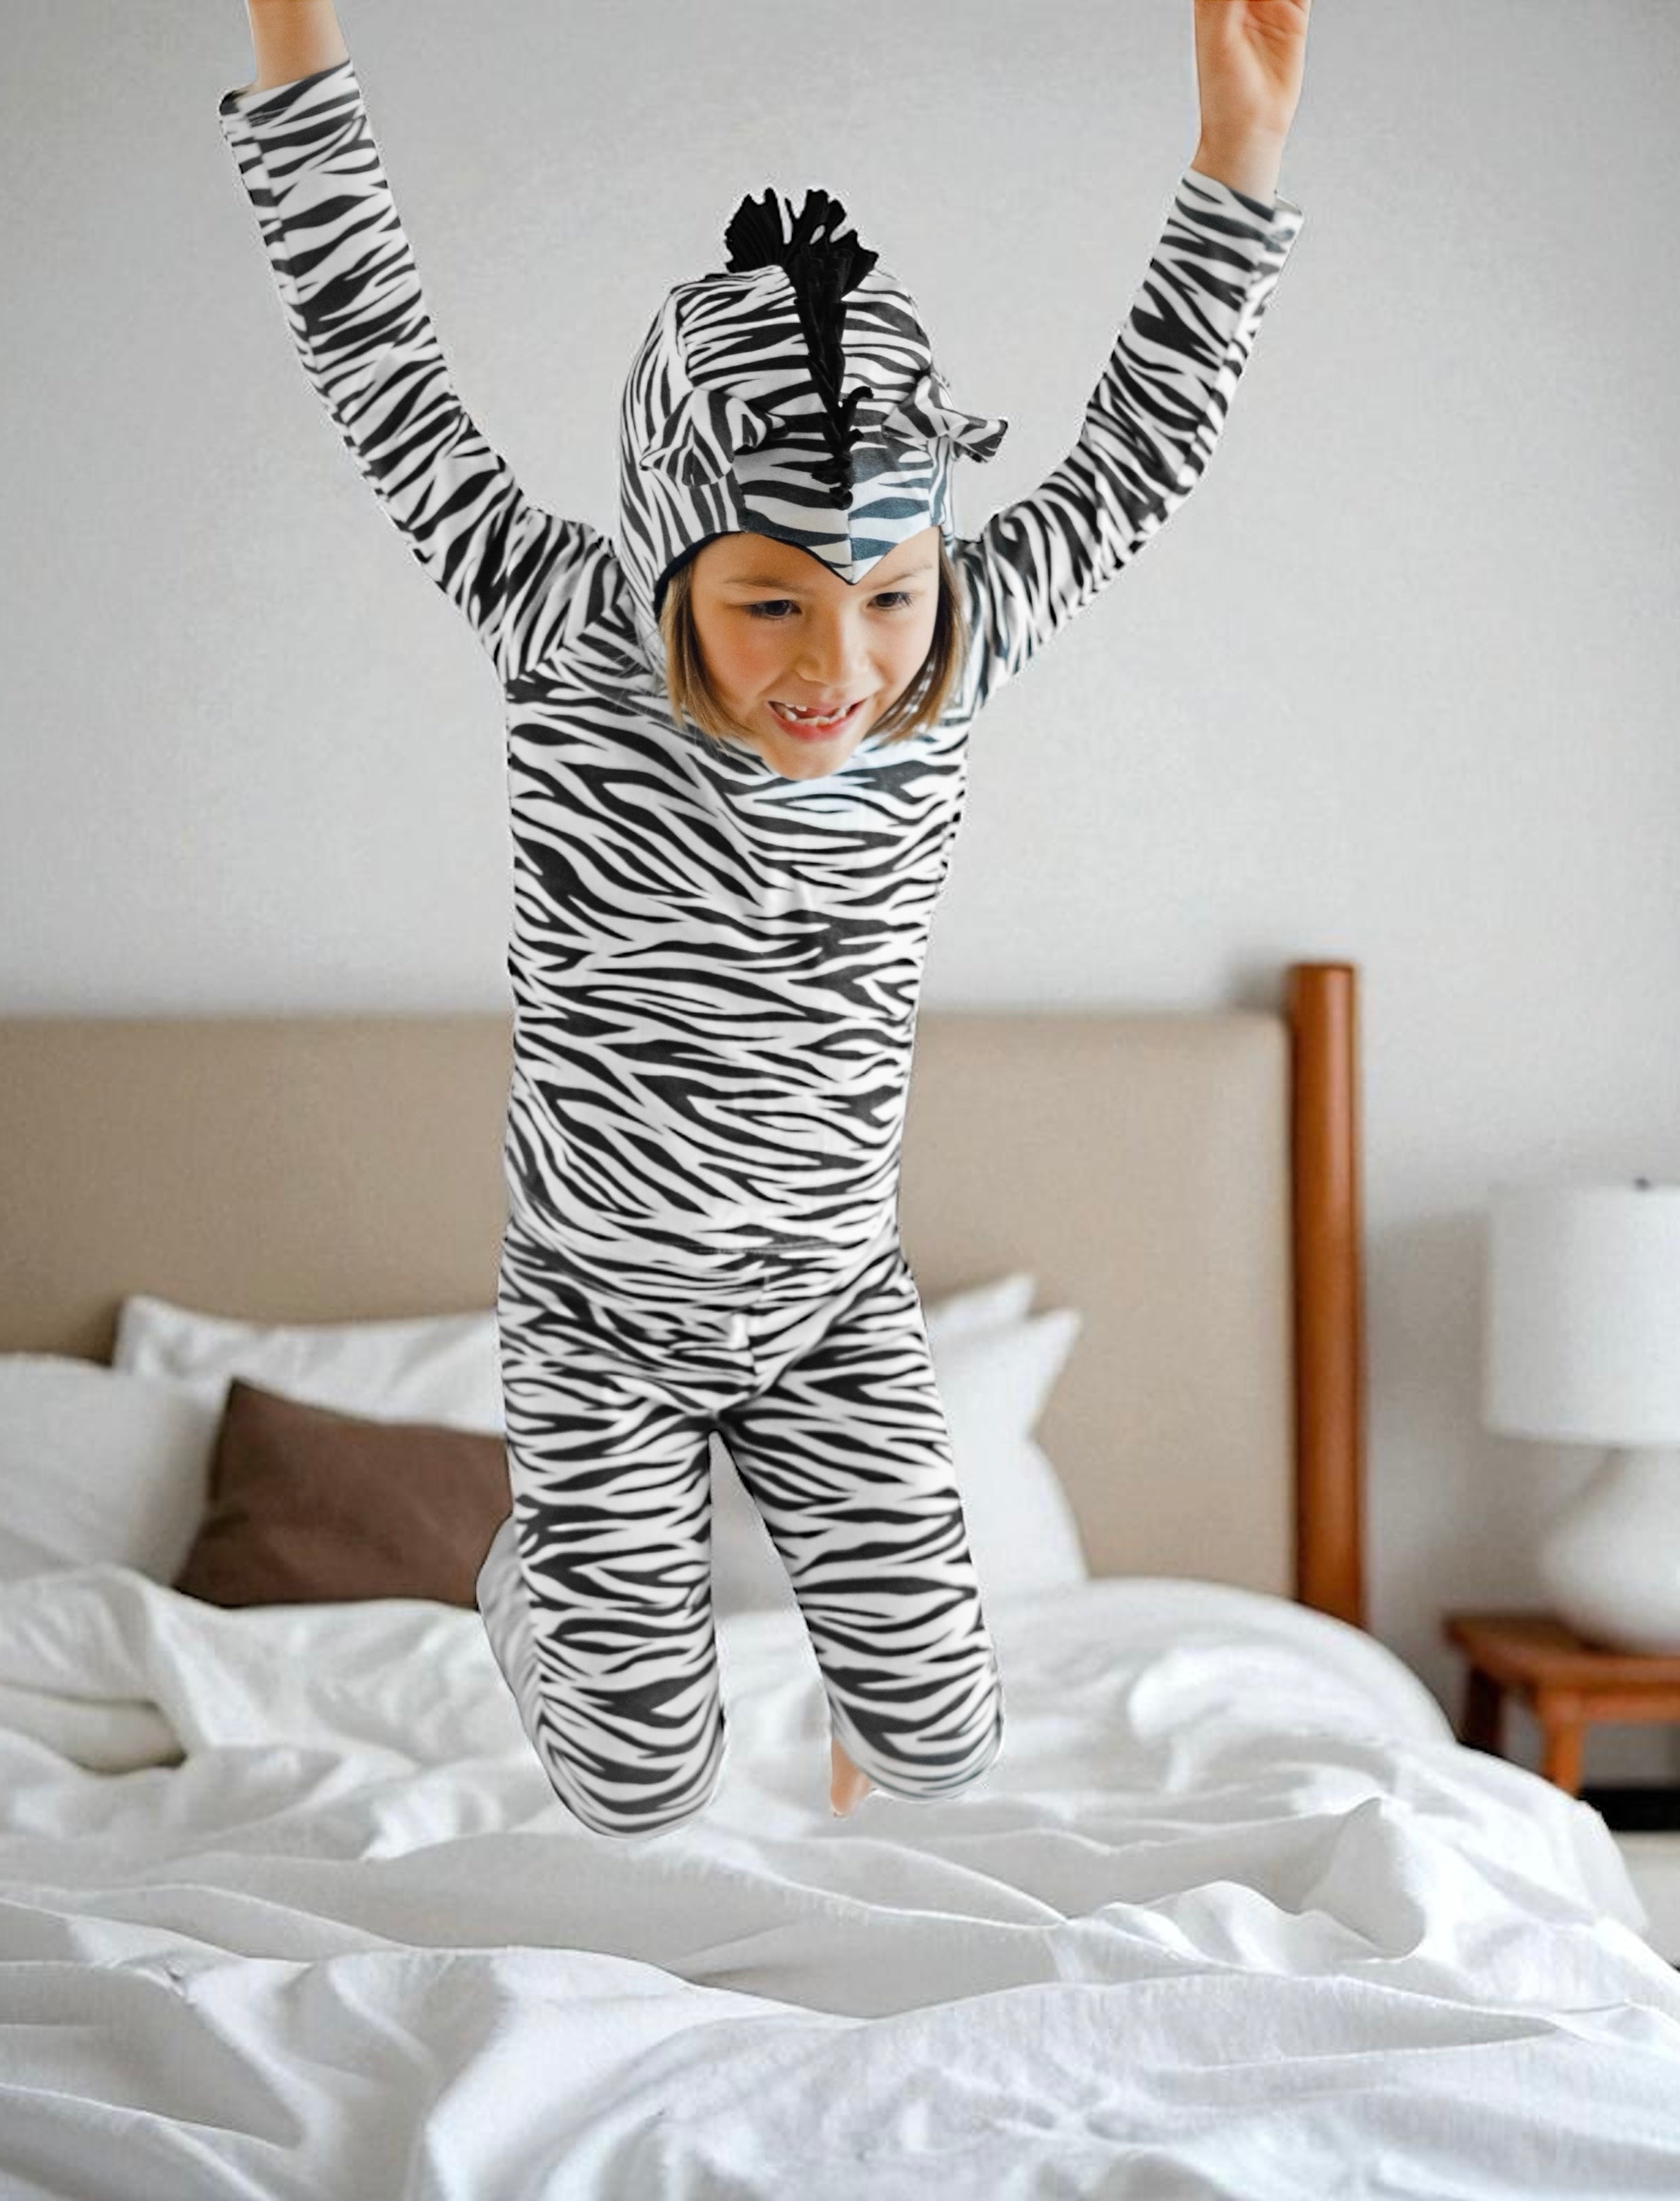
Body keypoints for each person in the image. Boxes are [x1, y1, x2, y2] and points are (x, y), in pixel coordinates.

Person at [219, 0, 1312, 1838]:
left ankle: (850, 1749)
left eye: (881, 596)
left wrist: (1240, 153)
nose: (841, 668)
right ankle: (534, 1606)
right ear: (670, 563)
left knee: (947, 1744)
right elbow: (374, 359)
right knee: (636, 1786)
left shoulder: (956, 650)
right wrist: (292, 37)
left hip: (827, 1306)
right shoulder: (562, 634)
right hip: (598, 1321)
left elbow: (1146, 443)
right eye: (769, 605)